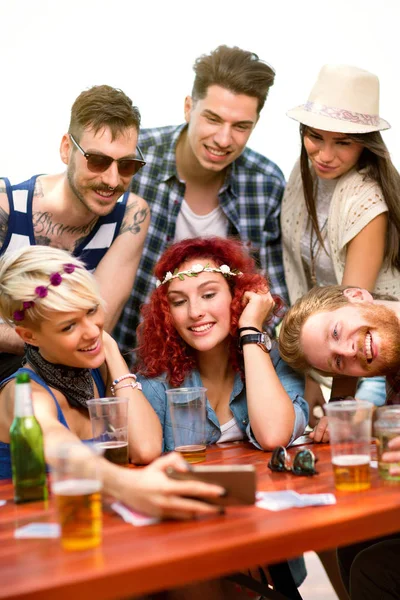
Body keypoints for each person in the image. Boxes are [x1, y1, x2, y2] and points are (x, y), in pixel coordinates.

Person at [0, 245, 225, 520]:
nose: (92, 331)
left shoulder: (95, 368)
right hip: (34, 542)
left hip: (92, 527)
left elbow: (145, 448)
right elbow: (59, 448)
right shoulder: (23, 393)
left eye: (92, 310)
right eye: (68, 326)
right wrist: (124, 485)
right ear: (29, 336)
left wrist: (112, 354)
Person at [136, 236, 308, 589]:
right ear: (167, 314)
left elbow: (273, 435)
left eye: (209, 294)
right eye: (179, 301)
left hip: (265, 533)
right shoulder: (156, 381)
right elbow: (145, 464)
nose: (195, 311)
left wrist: (249, 332)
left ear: (238, 296)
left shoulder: (276, 362)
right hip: (188, 541)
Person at [114, 45, 288, 360]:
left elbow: (274, 295)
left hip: (225, 364)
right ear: (188, 108)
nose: (223, 139)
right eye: (212, 118)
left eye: (240, 126)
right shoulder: (134, 159)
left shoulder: (265, 182)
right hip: (128, 355)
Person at [0, 84, 150, 379]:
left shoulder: (130, 215)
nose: (112, 179)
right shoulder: (6, 207)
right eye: (98, 160)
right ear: (67, 149)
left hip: (77, 378)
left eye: (127, 165)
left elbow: (96, 328)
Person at [281, 64, 400, 423]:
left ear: (365, 144)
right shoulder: (303, 178)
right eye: (315, 136)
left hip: (372, 356)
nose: (325, 155)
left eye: (343, 142)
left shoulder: (368, 202)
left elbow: (355, 317)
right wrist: (309, 373)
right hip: (334, 353)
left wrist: (340, 411)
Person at [279, 284, 400, 598]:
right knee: (355, 542)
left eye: (336, 332)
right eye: (338, 363)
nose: (348, 351)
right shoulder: (393, 369)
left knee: (374, 568)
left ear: (357, 295)